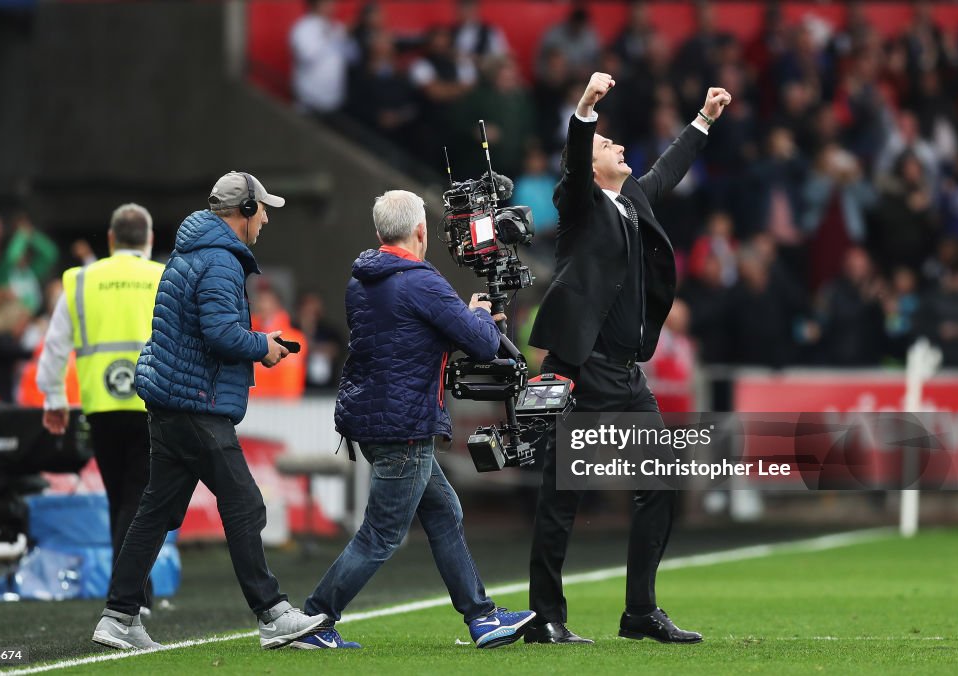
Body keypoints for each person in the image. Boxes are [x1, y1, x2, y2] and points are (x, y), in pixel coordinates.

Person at [526, 72, 731, 645]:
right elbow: (571, 165)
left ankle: (639, 611)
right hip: (579, 365)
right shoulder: (580, 201)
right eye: (605, 144)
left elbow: (668, 169)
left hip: (623, 372)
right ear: (592, 167)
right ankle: (546, 617)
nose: (617, 146)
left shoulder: (631, 197)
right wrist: (585, 109)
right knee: (562, 496)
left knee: (660, 482)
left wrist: (704, 119)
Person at [91, 172, 328, 651]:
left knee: (154, 511)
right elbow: (220, 334)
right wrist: (263, 344)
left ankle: (118, 616)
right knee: (244, 503)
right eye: (261, 208)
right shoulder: (220, 260)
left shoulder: (193, 251)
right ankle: (271, 613)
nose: (264, 218)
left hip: (172, 402)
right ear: (242, 212)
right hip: (195, 405)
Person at [297, 190, 535, 649]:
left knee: (444, 512)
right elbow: (483, 345)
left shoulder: (361, 279)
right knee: (381, 535)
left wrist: (460, 318)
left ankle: (482, 617)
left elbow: (406, 336)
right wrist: (479, 314)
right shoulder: (421, 281)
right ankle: (314, 618)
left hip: (375, 417)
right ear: (421, 231)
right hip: (406, 425)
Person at [36, 203, 164, 611]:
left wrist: (54, 398)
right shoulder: (163, 277)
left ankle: (134, 591)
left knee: (119, 498)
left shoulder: (80, 280)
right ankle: (128, 594)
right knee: (140, 498)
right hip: (153, 402)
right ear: (149, 240)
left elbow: (55, 346)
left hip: (100, 405)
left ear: (110, 239)